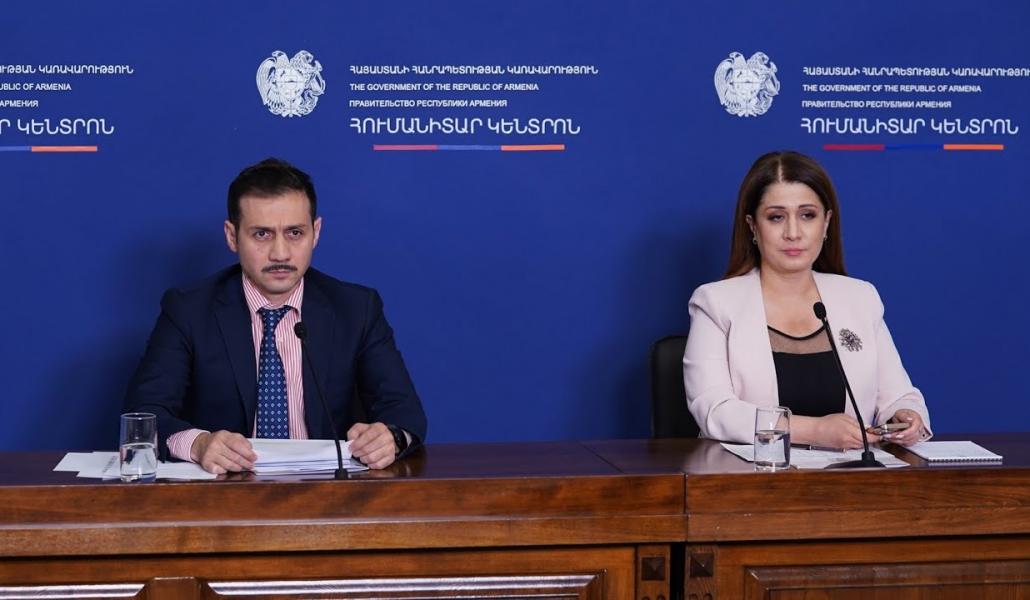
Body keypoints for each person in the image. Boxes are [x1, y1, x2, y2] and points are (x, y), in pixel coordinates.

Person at [124, 158, 427, 473]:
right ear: (232, 236)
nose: (280, 253)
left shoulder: (356, 308)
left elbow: (403, 410)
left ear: (316, 232)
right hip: (228, 488)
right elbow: (143, 414)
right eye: (262, 234)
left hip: (331, 490)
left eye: (295, 233)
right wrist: (199, 444)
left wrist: (390, 437)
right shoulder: (189, 309)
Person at [682, 151, 930, 448]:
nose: (793, 233)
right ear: (752, 226)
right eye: (776, 217)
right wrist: (814, 430)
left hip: (852, 471)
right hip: (755, 472)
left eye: (807, 215)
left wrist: (906, 416)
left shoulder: (860, 298)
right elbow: (714, 410)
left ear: (826, 223)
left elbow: (899, 395)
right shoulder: (716, 303)